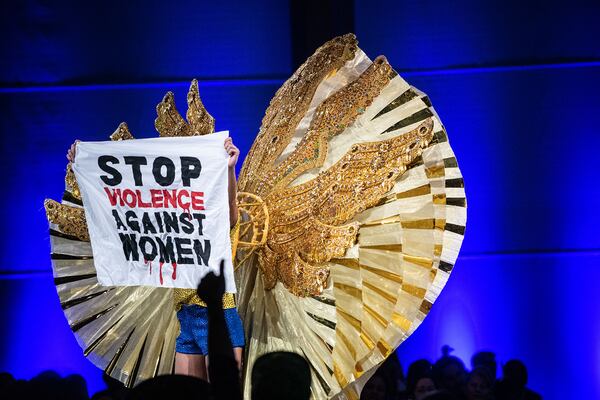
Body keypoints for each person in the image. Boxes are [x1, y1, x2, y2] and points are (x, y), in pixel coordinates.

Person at [66, 136, 245, 382]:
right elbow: (129, 208)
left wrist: (229, 169)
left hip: (219, 318)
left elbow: (230, 205)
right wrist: (85, 164)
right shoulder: (172, 230)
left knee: (224, 393)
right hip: (186, 318)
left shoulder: (218, 226)